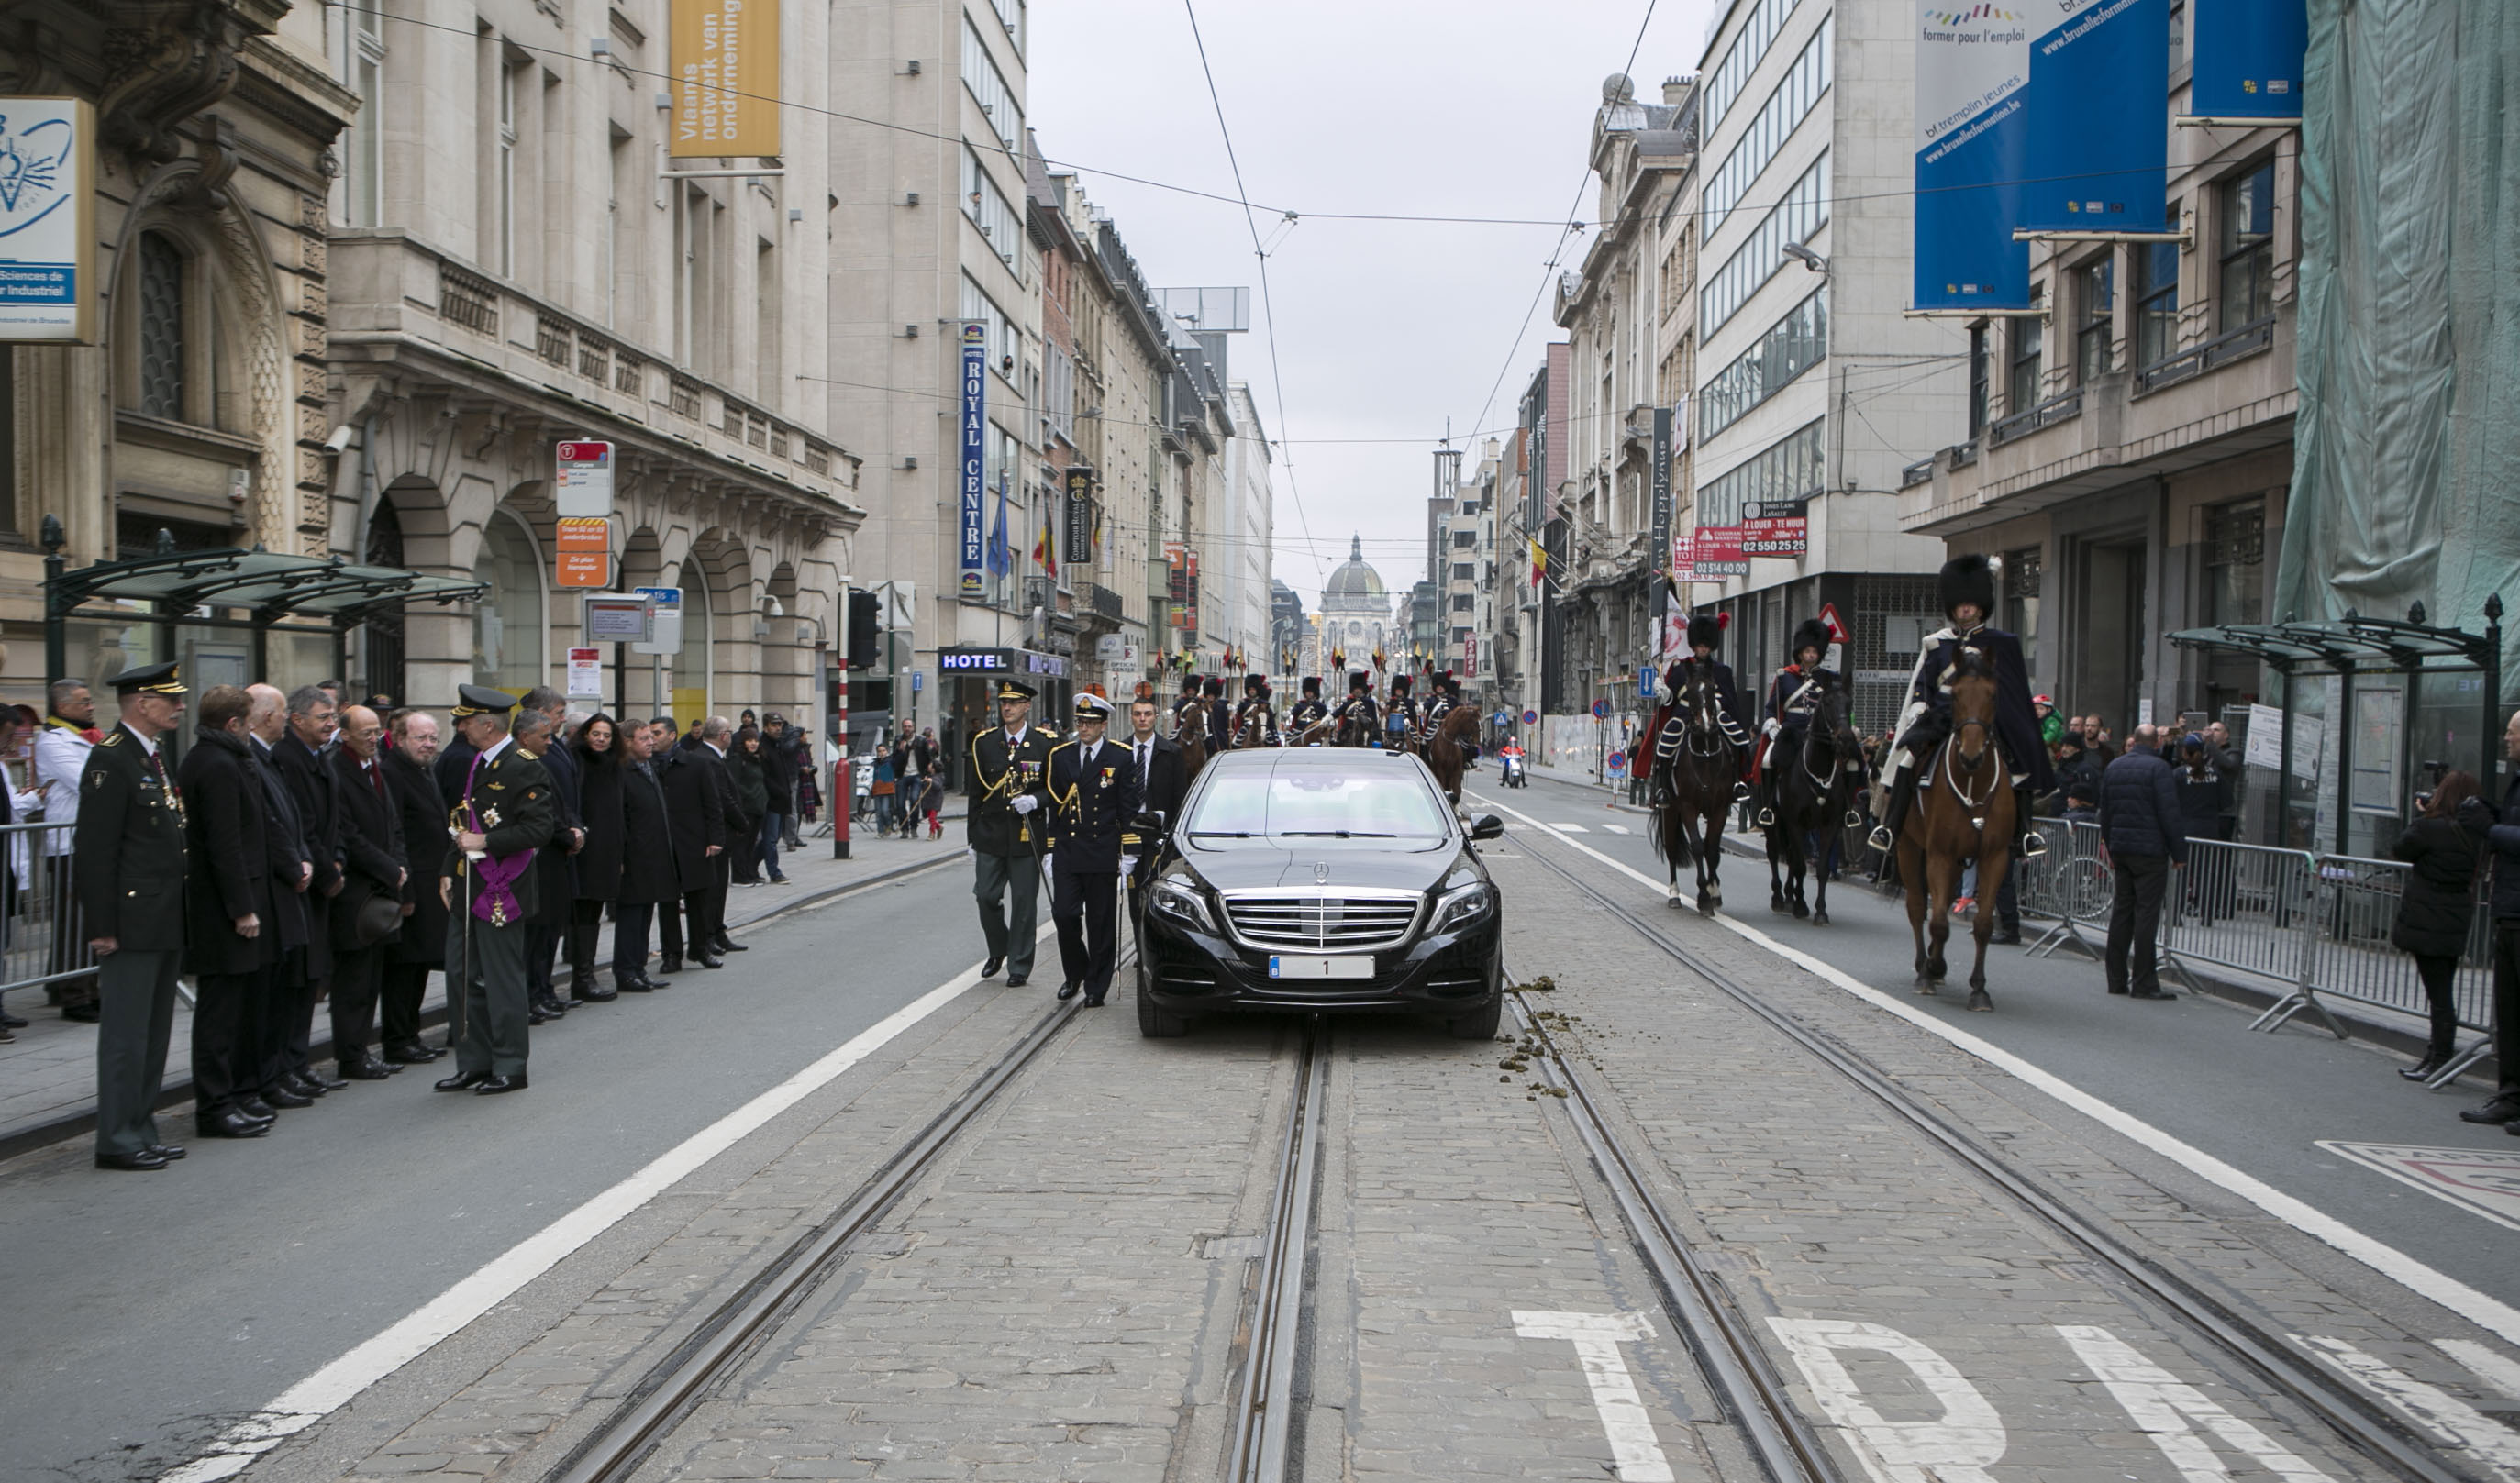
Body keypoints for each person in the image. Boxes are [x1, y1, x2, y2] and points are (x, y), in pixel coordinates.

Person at [76, 660, 190, 1170]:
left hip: (161, 916)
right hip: (129, 920)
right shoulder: (111, 759)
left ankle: (141, 1128)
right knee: (126, 1035)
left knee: (153, 1032)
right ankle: (117, 1138)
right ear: (143, 703)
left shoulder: (152, 757)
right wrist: (101, 927)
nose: (180, 706)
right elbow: (95, 852)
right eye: (172, 699)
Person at [1870, 556, 2052, 858]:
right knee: (1906, 759)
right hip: (1941, 716)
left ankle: (2025, 833)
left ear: (1981, 607)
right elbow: (1923, 683)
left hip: (1983, 719)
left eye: (1971, 604)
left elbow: (2013, 690)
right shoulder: (1936, 643)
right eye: (1960, 604)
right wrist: (1918, 705)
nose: (1965, 609)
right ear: (1952, 608)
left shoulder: (2003, 643)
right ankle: (1890, 827)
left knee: (2017, 762)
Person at [435, 685, 557, 1095]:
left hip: (502, 888)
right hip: (469, 884)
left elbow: (539, 828)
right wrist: (448, 869)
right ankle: (473, 1061)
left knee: (501, 978)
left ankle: (509, 1064)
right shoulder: (478, 762)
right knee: (461, 975)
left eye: (466, 721)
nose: (461, 728)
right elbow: (464, 822)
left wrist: (485, 843)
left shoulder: (523, 765)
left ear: (488, 724)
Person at [179, 684, 277, 1140]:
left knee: (238, 1008)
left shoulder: (225, 758)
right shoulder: (215, 763)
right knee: (219, 1013)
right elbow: (224, 844)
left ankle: (233, 1096)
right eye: (248, 721)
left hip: (236, 901)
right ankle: (215, 1106)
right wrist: (242, 908)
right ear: (235, 724)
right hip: (222, 910)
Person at [244, 684, 321, 1099]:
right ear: (266, 716)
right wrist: (297, 865)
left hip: (294, 882)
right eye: (279, 711)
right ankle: (267, 1077)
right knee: (273, 995)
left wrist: (304, 858)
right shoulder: (252, 758)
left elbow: (292, 821)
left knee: (292, 986)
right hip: (274, 890)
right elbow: (269, 825)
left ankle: (281, 1071)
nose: (282, 717)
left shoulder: (269, 759)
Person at [270, 684, 348, 1096]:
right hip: (303, 885)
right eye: (323, 717)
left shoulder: (317, 757)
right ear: (296, 720)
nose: (331, 724)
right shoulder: (287, 758)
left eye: (333, 716)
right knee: (297, 980)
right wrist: (326, 871)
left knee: (312, 976)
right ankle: (285, 1065)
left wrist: (337, 858)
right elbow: (301, 825)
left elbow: (331, 820)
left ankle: (298, 1062)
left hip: (320, 878)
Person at [2389, 770, 2488, 1085]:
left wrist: (2423, 814)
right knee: (2443, 987)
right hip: (2457, 915)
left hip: (2427, 916)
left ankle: (2440, 1057)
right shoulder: (2476, 834)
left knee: (2439, 994)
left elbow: (2401, 848)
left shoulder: (2429, 828)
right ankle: (2435, 1054)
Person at [327, 703, 409, 1079]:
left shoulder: (374, 767)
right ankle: (350, 1055)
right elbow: (349, 834)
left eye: (377, 731)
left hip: (382, 889)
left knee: (371, 979)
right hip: (356, 893)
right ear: (344, 735)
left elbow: (392, 824)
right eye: (365, 733)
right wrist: (390, 868)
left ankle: (361, 1049)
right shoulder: (337, 770)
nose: (374, 738)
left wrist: (398, 866)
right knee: (353, 982)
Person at [1046, 693, 1140, 1005]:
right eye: (1080, 722)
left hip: (1102, 850)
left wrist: (1130, 850)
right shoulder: (1061, 756)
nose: (1083, 728)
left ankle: (1096, 985)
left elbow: (1128, 807)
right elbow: (1055, 806)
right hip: (1068, 849)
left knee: (1100, 921)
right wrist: (1050, 847)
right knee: (1065, 915)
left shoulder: (1121, 757)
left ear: (1103, 725)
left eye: (1089, 723)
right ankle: (1076, 972)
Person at [968, 678, 1058, 986]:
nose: (1007, 707)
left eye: (1014, 703)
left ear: (1027, 707)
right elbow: (976, 793)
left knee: (1023, 903)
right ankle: (999, 948)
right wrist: (972, 837)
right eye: (1004, 702)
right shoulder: (985, 742)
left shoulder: (1046, 743)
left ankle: (1019, 965)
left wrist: (1035, 800)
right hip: (990, 834)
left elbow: (1056, 790)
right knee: (986, 896)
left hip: (1026, 834)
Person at [380, 709, 450, 1059]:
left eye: (433, 738)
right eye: (421, 738)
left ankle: (411, 1033)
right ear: (400, 738)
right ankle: (397, 1038)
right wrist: (404, 891)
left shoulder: (424, 770)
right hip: (410, 884)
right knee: (403, 966)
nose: (428, 745)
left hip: (429, 883)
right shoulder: (392, 773)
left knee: (419, 963)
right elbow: (396, 837)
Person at [2098, 723, 2184, 1001]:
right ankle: (2144, 981)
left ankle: (2116, 978)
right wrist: (2179, 853)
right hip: (2150, 850)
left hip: (2122, 847)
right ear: (2156, 743)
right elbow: (2169, 813)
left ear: (2133, 741)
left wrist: (2110, 845)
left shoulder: (2114, 767)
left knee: (2122, 911)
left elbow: (2106, 811)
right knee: (2146, 914)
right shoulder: (2159, 769)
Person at [2463, 711, 2520, 1129]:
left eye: (2512, 733)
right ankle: (2511, 1096)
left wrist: (2490, 830)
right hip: (2510, 909)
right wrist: (2492, 812)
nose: (2506, 739)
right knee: (2510, 1011)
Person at [34, 676, 101, 1022]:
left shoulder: (88, 738)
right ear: (63, 708)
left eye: (90, 700)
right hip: (67, 844)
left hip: (86, 840)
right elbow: (87, 781)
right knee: (75, 923)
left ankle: (76, 986)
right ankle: (76, 995)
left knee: (88, 919)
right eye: (84, 701)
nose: (91, 706)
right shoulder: (52, 740)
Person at [612, 717, 682, 991]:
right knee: (631, 915)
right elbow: (620, 819)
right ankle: (626, 969)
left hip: (653, 854)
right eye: (644, 738)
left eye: (652, 737)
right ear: (627, 742)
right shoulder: (622, 772)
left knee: (644, 914)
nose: (651, 742)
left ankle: (638, 967)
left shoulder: (647, 767)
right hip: (634, 857)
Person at [657, 715, 727, 970]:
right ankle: (671, 954)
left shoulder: (695, 764)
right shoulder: (648, 766)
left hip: (693, 842)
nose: (652, 739)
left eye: (657, 734)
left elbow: (713, 804)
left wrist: (715, 839)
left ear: (672, 735)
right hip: (662, 845)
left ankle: (700, 949)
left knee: (697, 900)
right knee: (667, 902)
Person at [1755, 619, 1838, 829]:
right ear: (1800, 653)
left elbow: (1838, 706)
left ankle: (1847, 810)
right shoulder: (1785, 676)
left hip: (1820, 733)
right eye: (1807, 651)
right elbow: (1771, 706)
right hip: (1792, 731)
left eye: (1814, 652)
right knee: (1767, 760)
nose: (1811, 655)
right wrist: (1772, 723)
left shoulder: (1828, 678)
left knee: (1850, 761)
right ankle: (1768, 807)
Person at [566, 714, 624, 1003]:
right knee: (582, 914)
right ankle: (582, 978)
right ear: (585, 734)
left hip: (607, 850)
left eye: (606, 735)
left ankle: (586, 975)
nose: (601, 740)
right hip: (584, 849)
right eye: (596, 734)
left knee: (594, 913)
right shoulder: (576, 760)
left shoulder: (614, 764)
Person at [1122, 697, 1188, 913]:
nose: (1142, 719)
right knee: (1134, 901)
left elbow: (1180, 797)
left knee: (1156, 898)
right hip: (1129, 834)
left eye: (1147, 714)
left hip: (1159, 835)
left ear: (1155, 717)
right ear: (1131, 717)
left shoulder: (1172, 752)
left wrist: (1173, 836)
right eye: (1138, 714)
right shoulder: (1120, 751)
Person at [728, 725, 769, 886]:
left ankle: (748, 873)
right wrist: (748, 795)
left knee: (751, 843)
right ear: (743, 743)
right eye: (750, 740)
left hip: (758, 808)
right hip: (745, 808)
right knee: (741, 844)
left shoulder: (758, 760)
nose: (753, 744)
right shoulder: (738, 760)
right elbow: (734, 784)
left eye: (756, 740)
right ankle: (739, 876)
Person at [762, 712, 804, 856]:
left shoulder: (788, 736)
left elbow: (789, 751)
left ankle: (790, 840)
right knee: (770, 836)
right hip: (772, 790)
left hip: (788, 781)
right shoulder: (766, 744)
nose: (777, 728)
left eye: (779, 725)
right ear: (766, 727)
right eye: (774, 725)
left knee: (790, 811)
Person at [1285, 676, 1329, 746]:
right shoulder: (1300, 705)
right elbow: (1295, 716)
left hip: (1316, 730)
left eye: (1311, 692)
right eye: (1307, 692)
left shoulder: (1321, 706)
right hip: (1300, 730)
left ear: (1315, 692)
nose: (1309, 693)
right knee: (1291, 741)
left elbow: (1324, 719)